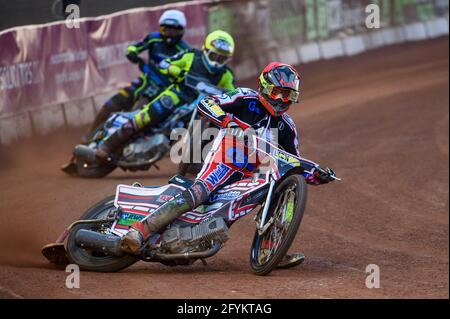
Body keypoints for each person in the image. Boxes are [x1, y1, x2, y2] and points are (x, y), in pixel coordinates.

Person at [120, 62, 337, 267]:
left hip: (249, 176)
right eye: (276, 92)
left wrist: (317, 174)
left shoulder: (287, 128)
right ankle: (140, 230)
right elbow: (206, 102)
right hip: (223, 161)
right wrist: (227, 121)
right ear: (264, 87)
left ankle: (271, 248)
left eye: (287, 94)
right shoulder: (244, 98)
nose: (281, 99)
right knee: (201, 192)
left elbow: (292, 163)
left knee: (275, 190)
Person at [92, 30, 236, 161]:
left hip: (198, 105)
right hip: (175, 96)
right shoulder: (191, 55)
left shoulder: (226, 74)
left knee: (214, 121)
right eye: (214, 56)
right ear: (205, 49)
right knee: (145, 117)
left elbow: (232, 93)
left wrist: (234, 101)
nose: (217, 62)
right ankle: (107, 145)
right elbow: (165, 63)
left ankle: (197, 158)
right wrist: (177, 71)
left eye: (221, 59)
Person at [89, 9, 190, 132]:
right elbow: (135, 46)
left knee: (135, 117)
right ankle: (89, 135)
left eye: (174, 30)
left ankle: (118, 143)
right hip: (143, 82)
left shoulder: (185, 51)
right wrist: (132, 52)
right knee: (110, 105)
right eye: (167, 29)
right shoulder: (153, 39)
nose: (170, 34)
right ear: (161, 28)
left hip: (161, 91)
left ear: (181, 31)